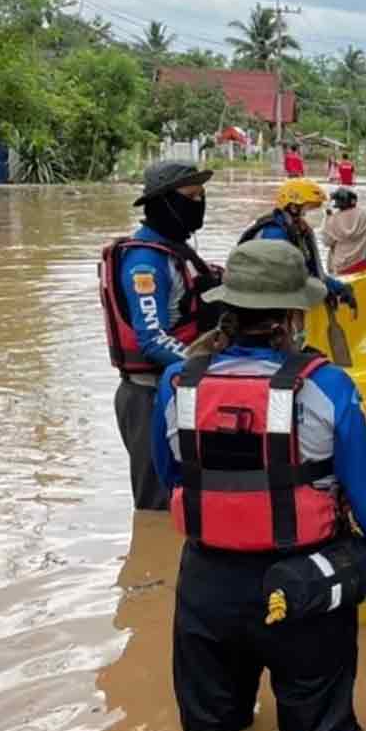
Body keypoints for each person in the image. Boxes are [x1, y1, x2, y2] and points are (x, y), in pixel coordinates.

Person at [151, 238, 366, 731]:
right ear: (295, 315)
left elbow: (171, 478)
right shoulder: (330, 386)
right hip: (308, 586)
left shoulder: (175, 382)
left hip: (207, 586)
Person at [98, 160, 220, 510]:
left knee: (190, 500)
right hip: (150, 397)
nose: (199, 204)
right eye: (190, 196)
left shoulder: (176, 252)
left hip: (180, 390)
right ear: (163, 201)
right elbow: (151, 339)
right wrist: (213, 367)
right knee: (157, 507)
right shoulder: (145, 263)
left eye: (202, 196)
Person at [239, 179, 356, 308]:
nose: (306, 216)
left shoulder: (296, 231)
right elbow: (288, 277)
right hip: (260, 299)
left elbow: (311, 271)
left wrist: (340, 288)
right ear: (293, 208)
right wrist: (324, 290)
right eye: (306, 210)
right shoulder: (274, 233)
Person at [322, 186, 366, 275]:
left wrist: (327, 217)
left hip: (341, 267)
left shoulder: (333, 219)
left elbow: (326, 242)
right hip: (362, 264)